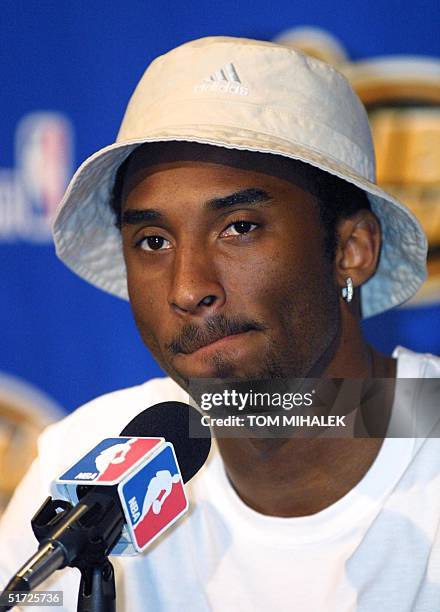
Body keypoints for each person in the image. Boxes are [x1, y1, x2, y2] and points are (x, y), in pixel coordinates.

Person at [1, 36, 439, 611]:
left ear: (351, 248)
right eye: (153, 241)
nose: (188, 288)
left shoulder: (425, 427)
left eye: (239, 227)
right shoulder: (89, 464)